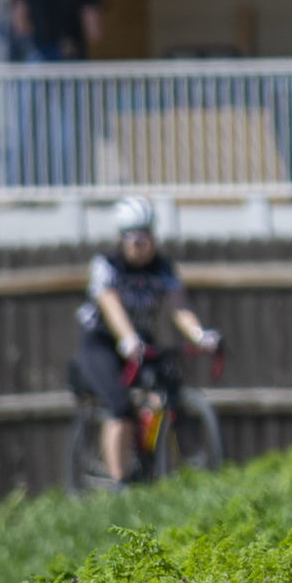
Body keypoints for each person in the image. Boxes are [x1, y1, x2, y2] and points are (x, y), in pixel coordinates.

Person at [69, 196, 221, 484]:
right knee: (119, 405)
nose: (143, 245)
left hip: (138, 339)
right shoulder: (107, 265)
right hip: (101, 342)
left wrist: (200, 335)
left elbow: (179, 308)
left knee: (163, 390)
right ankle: (119, 483)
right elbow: (109, 303)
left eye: (147, 237)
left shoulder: (163, 268)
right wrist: (127, 337)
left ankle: (152, 468)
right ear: (122, 239)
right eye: (135, 239)